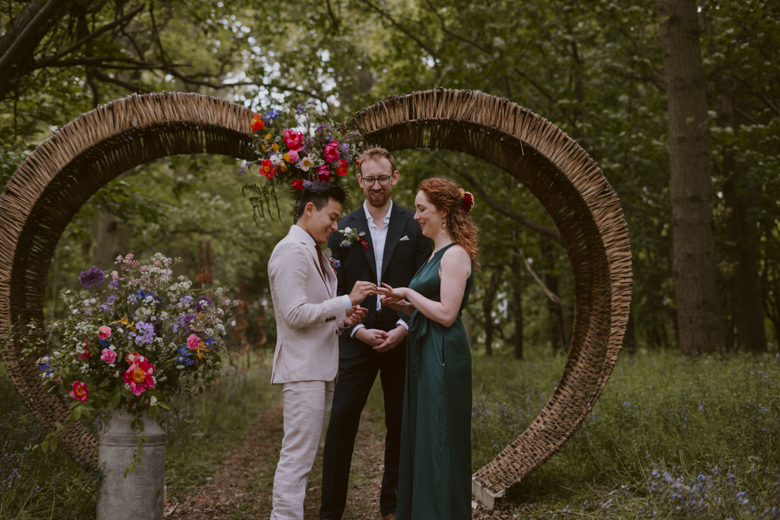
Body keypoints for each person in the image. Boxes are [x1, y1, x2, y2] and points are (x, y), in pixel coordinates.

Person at [320, 148, 431, 520]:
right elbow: (334, 290)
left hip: (402, 338)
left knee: (400, 425)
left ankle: (392, 507)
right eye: (369, 178)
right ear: (359, 181)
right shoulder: (342, 229)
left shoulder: (416, 225)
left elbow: (424, 285)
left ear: (395, 177)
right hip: (357, 336)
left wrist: (404, 327)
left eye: (383, 178)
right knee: (340, 422)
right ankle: (330, 510)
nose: (376, 185)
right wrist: (357, 330)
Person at [267, 182, 376, 520]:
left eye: (338, 219)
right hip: (303, 371)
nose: (336, 226)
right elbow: (294, 314)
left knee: (303, 458)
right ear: (309, 209)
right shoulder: (290, 251)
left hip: (320, 368)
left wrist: (343, 318)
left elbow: (314, 310)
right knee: (296, 460)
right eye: (332, 217)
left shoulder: (313, 251)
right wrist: (347, 299)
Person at [377, 177, 479, 520]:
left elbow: (447, 315)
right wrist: (401, 304)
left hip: (444, 355)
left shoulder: (455, 255)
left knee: (439, 436)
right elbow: (430, 308)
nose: (416, 216)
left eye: (422, 209)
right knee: (424, 436)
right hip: (425, 349)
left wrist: (409, 293)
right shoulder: (436, 252)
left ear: (444, 212)